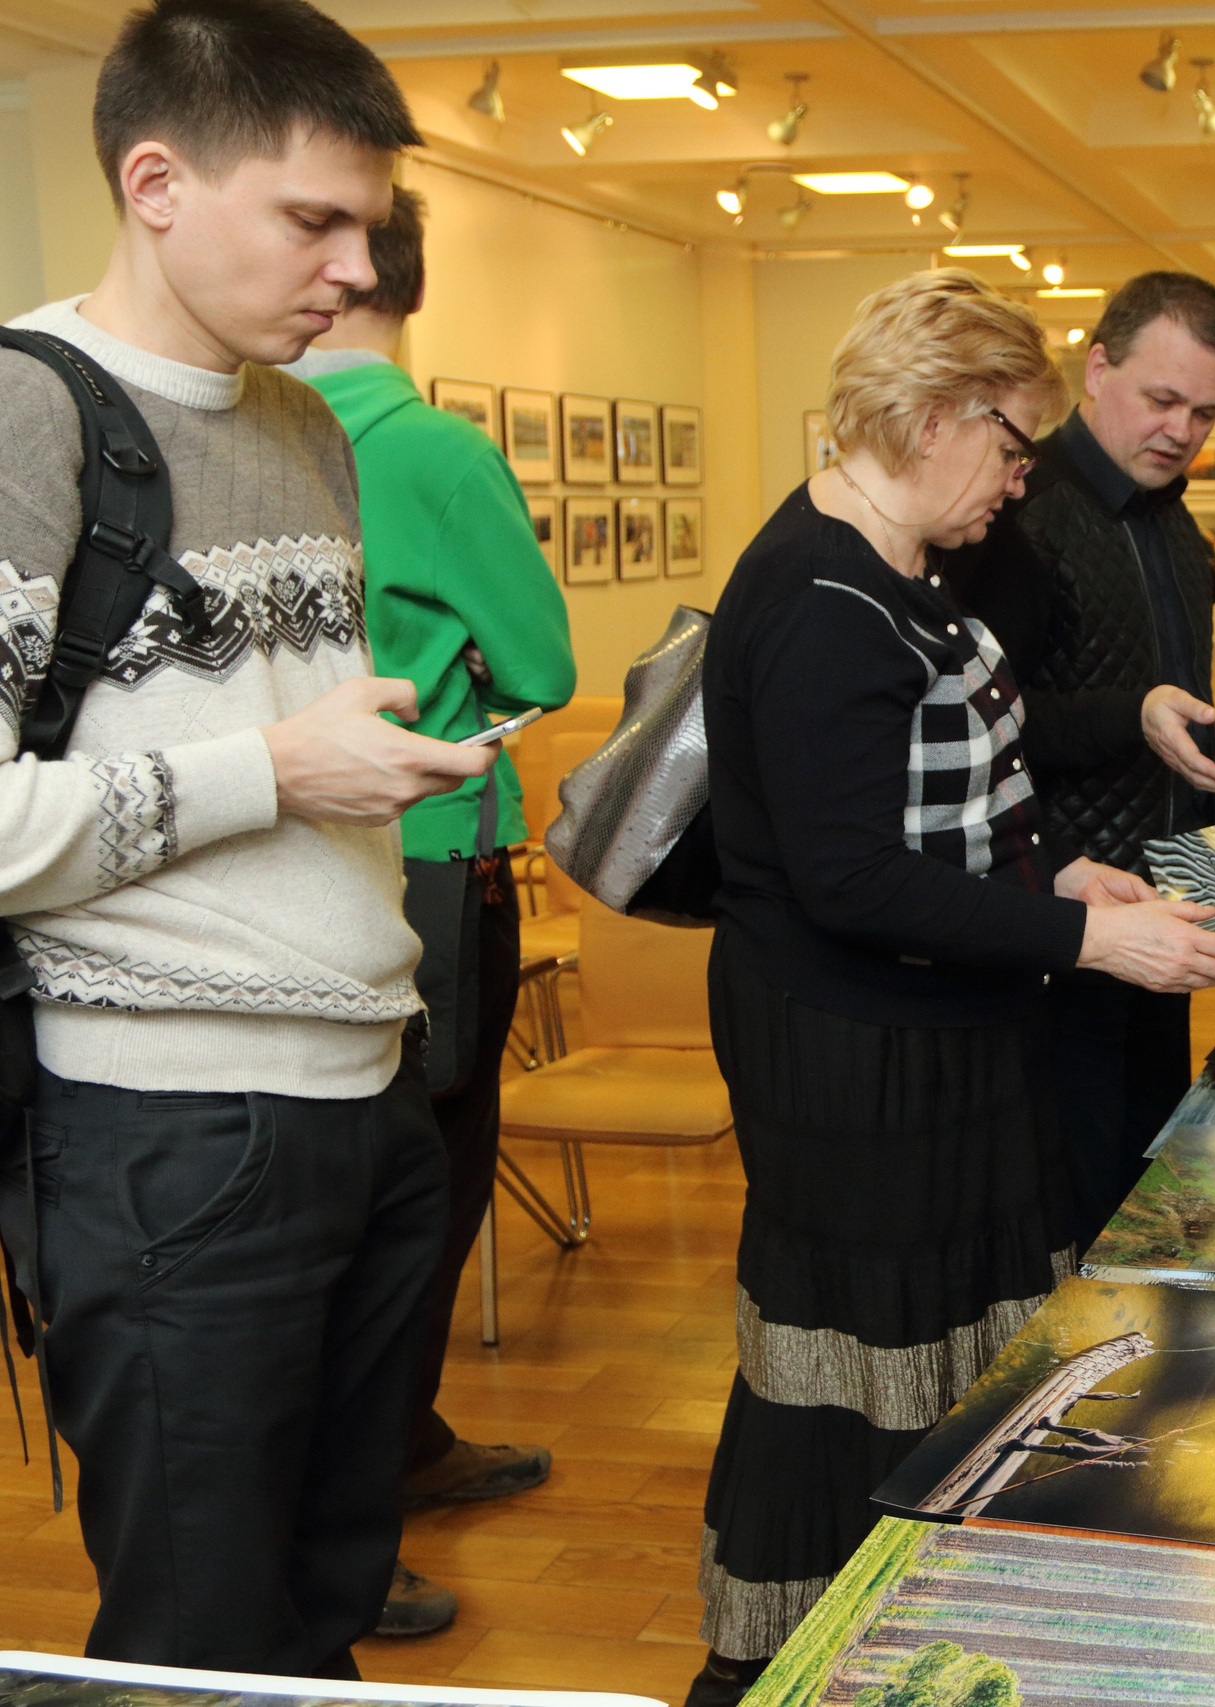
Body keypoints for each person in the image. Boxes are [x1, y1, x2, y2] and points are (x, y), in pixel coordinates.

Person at [0, 0, 494, 1677]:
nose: (355, 268)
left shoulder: (300, 422)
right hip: (174, 1135)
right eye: (313, 219)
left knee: (327, 1604)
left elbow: (275, 727)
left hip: (372, 1094)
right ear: (155, 181)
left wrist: (359, 759)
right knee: (200, 1639)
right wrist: (277, 771)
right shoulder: (25, 414)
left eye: (369, 223)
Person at [686, 271, 1215, 1707]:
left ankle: (934, 1627)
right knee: (855, 1374)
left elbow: (956, 815)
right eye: (1010, 446)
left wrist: (1062, 874)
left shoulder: (899, 566)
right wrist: (1088, 942)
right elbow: (850, 881)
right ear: (936, 416)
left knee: (950, 1356)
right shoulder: (820, 596)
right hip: (852, 1054)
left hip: (939, 1033)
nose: (1020, 477)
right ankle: (803, 1658)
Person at [287, 186, 578, 1639]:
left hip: (289, 858)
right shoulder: (435, 448)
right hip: (431, 849)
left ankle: (399, 1447)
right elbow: (541, 659)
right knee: (427, 1187)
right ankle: (365, 1504)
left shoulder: (251, 431)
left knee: (352, 1186)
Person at [943, 271, 1215, 1248]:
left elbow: (1180, 723)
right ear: (1098, 367)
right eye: (1162, 400)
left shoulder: (1170, 516)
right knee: (1069, 1211)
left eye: (1205, 412)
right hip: (1060, 914)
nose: (1181, 430)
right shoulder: (1023, 510)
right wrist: (1132, 712)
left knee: (1146, 1199)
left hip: (1159, 917)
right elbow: (980, 726)